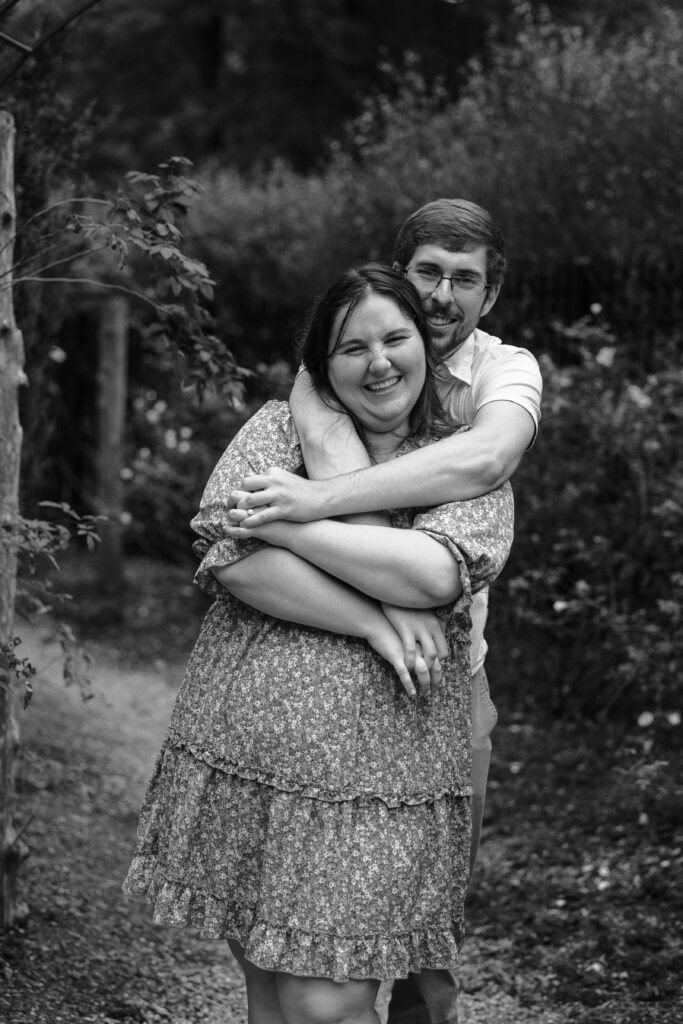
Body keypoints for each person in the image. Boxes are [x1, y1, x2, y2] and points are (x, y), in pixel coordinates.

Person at [123, 264, 514, 1024]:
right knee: (269, 990)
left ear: (426, 350)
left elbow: (430, 575)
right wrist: (370, 619)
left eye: (396, 339)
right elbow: (237, 564)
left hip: (378, 790)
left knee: (323, 1003)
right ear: (322, 364)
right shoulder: (278, 427)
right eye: (351, 348)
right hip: (250, 765)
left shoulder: (458, 463)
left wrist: (287, 520)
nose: (378, 363)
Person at [226, 200, 542, 1024]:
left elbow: (483, 465)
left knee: (419, 933)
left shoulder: (498, 379)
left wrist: (308, 508)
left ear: (490, 294)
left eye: (464, 278)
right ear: (401, 278)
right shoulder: (337, 364)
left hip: (440, 678)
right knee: (280, 957)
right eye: (428, 273)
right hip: (311, 700)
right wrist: (370, 612)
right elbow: (231, 550)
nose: (442, 294)